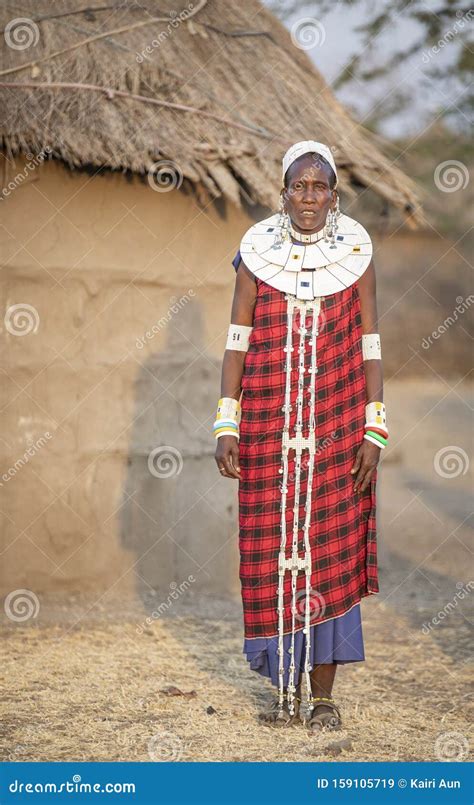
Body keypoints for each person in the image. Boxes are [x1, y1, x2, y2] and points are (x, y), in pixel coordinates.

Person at [214, 141, 386, 733]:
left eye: (319, 188)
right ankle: (282, 694)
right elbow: (237, 341)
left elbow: (369, 346)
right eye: (298, 186)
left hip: (338, 430)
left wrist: (374, 426)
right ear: (282, 193)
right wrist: (226, 421)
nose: (308, 197)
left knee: (328, 558)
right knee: (271, 560)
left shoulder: (356, 257)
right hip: (266, 431)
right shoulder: (256, 256)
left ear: (334, 197)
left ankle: (323, 700)